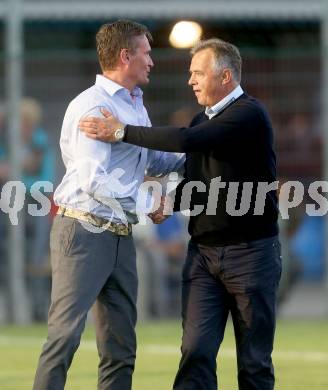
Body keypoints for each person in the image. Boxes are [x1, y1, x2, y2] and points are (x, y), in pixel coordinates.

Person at [79, 38, 282, 390]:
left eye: (198, 73)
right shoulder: (203, 118)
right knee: (195, 353)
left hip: (251, 255)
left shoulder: (249, 114)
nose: (191, 80)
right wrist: (169, 203)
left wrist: (121, 132)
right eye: (191, 74)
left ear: (226, 77)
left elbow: (185, 141)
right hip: (203, 255)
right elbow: (198, 178)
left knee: (254, 362)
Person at [33, 20, 184, 390]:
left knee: (120, 347)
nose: (151, 61)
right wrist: (150, 198)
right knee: (64, 338)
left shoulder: (134, 104)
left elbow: (154, 161)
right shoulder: (93, 106)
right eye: (146, 53)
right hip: (84, 231)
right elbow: (92, 180)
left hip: (120, 235)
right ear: (125, 55)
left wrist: (205, 151)